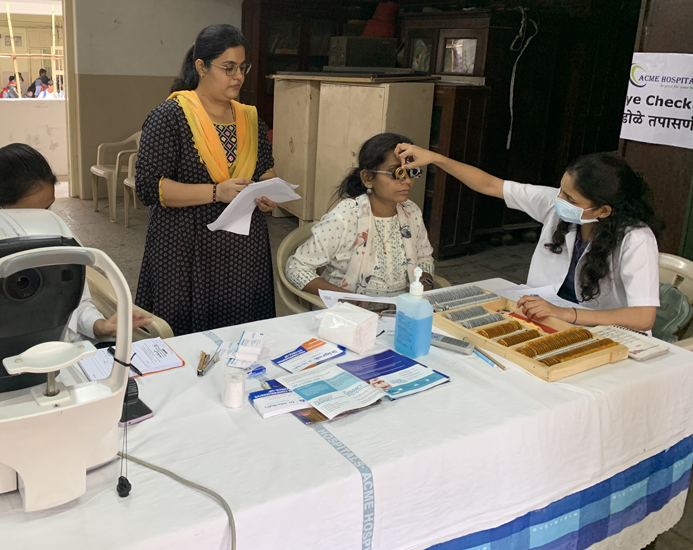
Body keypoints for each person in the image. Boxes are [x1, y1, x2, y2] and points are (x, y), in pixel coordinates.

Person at [396, 144, 662, 332]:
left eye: (570, 199)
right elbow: (490, 184)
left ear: (603, 211)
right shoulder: (556, 205)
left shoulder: (636, 239)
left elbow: (643, 317)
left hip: (601, 331)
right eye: (561, 190)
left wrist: (566, 313)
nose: (558, 200)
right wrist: (435, 158)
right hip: (543, 317)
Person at [0, 144, 151, 362]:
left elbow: (76, 305)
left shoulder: (58, 236)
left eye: (48, 208)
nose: (44, 220)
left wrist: (99, 326)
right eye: (28, 213)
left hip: (58, 358)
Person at [134, 24, 279, 336]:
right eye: (228, 67)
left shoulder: (250, 119)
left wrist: (269, 191)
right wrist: (216, 192)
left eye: (242, 67)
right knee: (187, 340)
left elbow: (264, 169)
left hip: (242, 250)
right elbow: (149, 187)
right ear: (201, 67)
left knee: (241, 335)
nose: (238, 76)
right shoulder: (170, 117)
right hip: (186, 248)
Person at [286, 133, 435, 298]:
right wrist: (351, 301)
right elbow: (296, 268)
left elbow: (424, 258)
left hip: (401, 308)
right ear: (367, 178)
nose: (407, 181)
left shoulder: (411, 212)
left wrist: (422, 289)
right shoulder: (345, 217)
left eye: (412, 172)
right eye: (397, 173)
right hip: (349, 309)